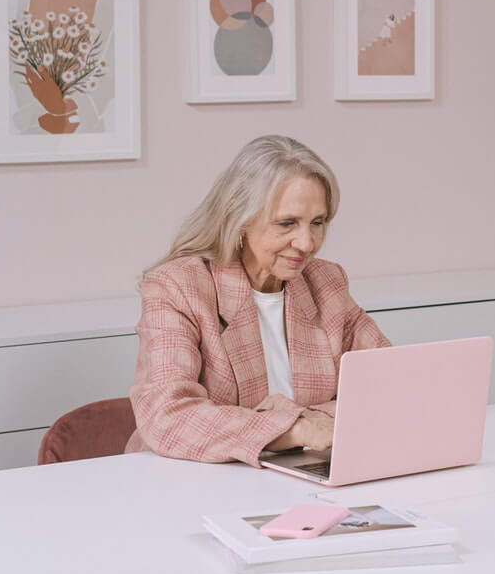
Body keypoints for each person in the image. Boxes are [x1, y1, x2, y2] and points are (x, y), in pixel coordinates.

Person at [126, 135, 390, 466]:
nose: (307, 243)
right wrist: (296, 430)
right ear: (241, 219)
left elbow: (389, 387)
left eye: (318, 223)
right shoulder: (178, 287)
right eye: (287, 223)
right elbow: (168, 416)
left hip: (303, 476)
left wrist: (288, 417)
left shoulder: (327, 282)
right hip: (191, 481)